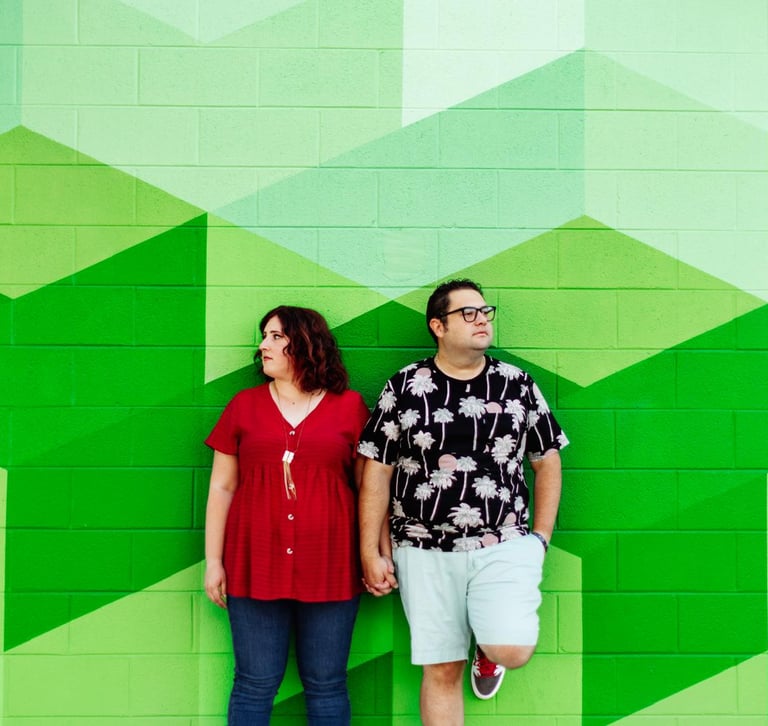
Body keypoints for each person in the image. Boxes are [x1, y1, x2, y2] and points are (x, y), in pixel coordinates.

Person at [357, 279, 568, 725]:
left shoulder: (517, 385)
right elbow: (377, 471)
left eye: (485, 311)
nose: (482, 319)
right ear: (438, 325)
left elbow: (547, 462)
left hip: (504, 541)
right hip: (421, 547)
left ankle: (489, 649)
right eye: (468, 313)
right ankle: (478, 642)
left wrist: (540, 539)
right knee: (441, 669)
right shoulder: (406, 386)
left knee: (511, 648)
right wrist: (370, 551)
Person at [204, 305, 371, 726]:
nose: (263, 345)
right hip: (253, 564)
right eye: (264, 336)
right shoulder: (244, 405)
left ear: (306, 343)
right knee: (254, 683)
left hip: (331, 564)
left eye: (276, 336)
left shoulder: (349, 407)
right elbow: (222, 487)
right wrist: (213, 562)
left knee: (327, 683)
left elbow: (369, 488)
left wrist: (375, 554)